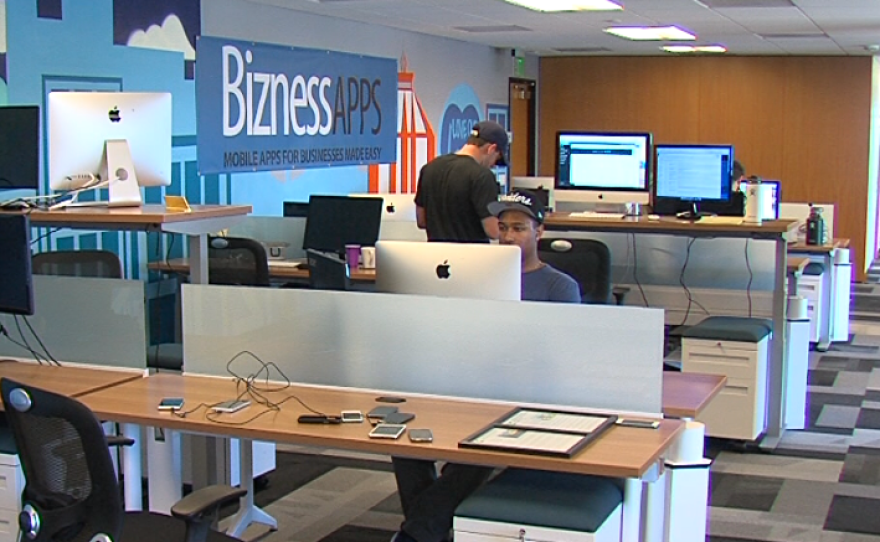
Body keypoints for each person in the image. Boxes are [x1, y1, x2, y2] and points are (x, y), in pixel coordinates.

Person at [414, 121, 508, 242]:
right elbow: (493, 231)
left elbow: (422, 221)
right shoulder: (482, 176)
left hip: (436, 256)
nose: (493, 165)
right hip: (471, 257)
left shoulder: (429, 168)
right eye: (496, 159)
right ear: (491, 149)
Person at [488, 190, 581, 303]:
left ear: (538, 232)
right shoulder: (485, 280)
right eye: (503, 228)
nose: (508, 237)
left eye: (518, 229)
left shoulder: (560, 287)